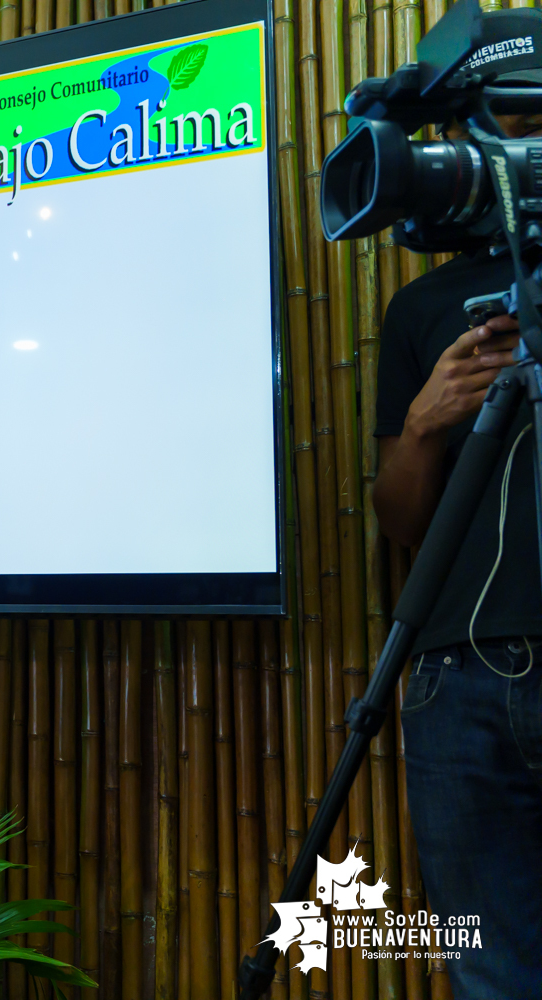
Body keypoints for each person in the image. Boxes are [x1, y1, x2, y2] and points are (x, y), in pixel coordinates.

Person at [372, 113, 542, 999]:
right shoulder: (422, 308)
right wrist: (423, 421)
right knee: (491, 976)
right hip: (458, 676)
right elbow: (401, 521)